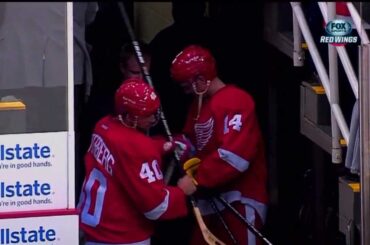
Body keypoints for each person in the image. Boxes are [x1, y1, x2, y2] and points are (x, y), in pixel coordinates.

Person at [170, 45, 269, 245]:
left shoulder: (236, 100)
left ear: (200, 79)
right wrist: (180, 145)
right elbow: (192, 140)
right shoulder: (199, 105)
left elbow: (234, 157)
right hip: (209, 201)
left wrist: (196, 179)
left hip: (239, 199)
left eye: (187, 86)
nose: (186, 92)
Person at [78, 78, 196, 244]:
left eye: (156, 111)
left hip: (91, 229)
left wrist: (162, 146)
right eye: (147, 114)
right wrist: (181, 191)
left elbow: (124, 155)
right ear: (128, 116)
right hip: (120, 236)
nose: (154, 118)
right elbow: (155, 208)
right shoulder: (137, 147)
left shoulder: (103, 125)